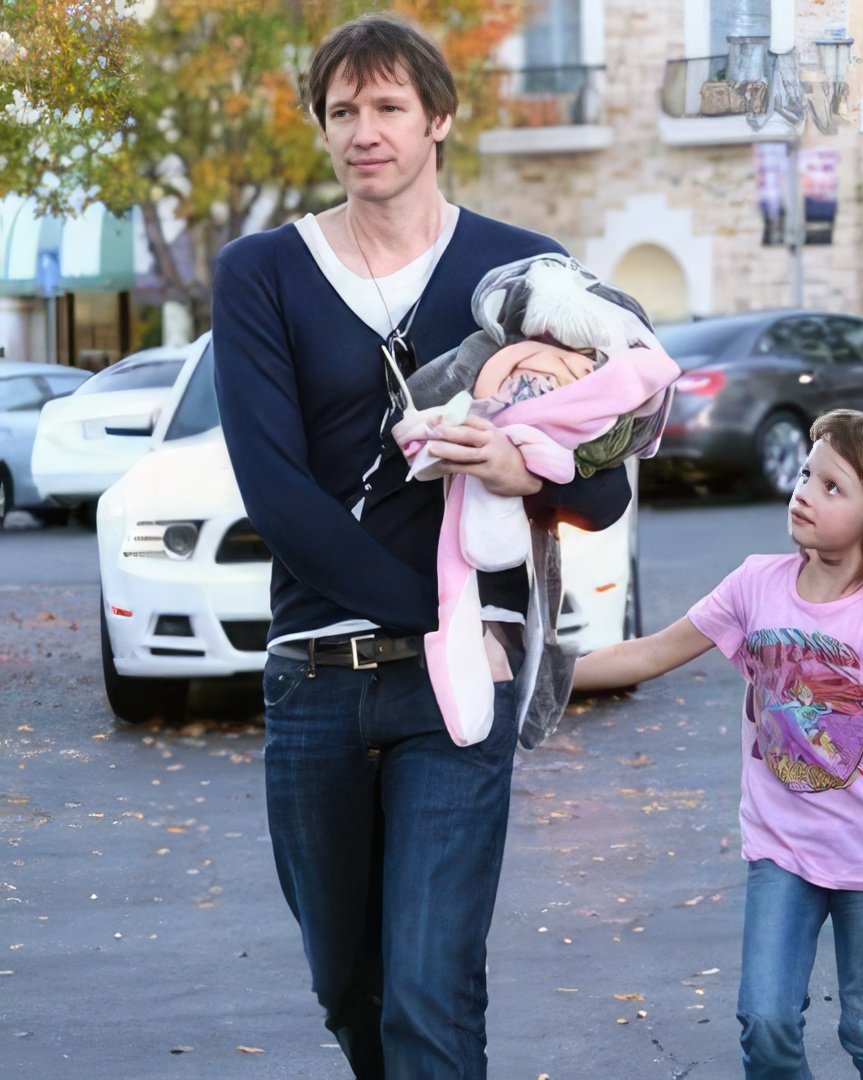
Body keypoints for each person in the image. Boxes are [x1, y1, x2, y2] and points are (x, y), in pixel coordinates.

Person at [210, 13, 631, 1076]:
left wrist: (519, 468)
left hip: (459, 694)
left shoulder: (522, 271)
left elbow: (609, 485)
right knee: (350, 992)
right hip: (316, 679)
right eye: (342, 110)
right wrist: (436, 616)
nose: (365, 130)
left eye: (389, 105)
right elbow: (278, 495)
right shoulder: (262, 274)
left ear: (438, 118)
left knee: (431, 998)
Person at [575, 410, 863, 1080]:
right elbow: (647, 654)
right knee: (764, 1021)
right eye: (805, 474)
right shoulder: (754, 584)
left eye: (831, 486)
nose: (803, 492)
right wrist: (535, 678)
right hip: (780, 846)